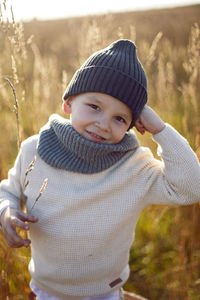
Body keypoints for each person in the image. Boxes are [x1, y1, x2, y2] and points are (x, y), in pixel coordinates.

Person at [0, 39, 200, 300]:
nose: (104, 124)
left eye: (120, 118)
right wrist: (6, 212)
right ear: (68, 103)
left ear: (132, 124)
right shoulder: (35, 150)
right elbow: (9, 191)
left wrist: (160, 129)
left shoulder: (134, 167)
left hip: (104, 292)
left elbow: (191, 188)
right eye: (94, 107)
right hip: (47, 291)